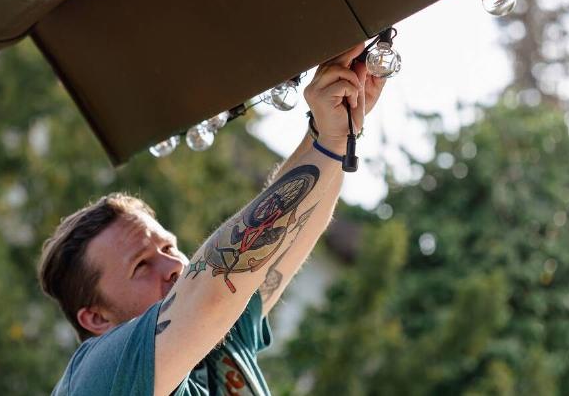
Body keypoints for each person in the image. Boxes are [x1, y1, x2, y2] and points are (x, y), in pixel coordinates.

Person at [39, 43, 387, 395]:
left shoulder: (220, 345)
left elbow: (283, 243)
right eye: (141, 265)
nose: (174, 266)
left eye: (168, 247)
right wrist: (328, 143)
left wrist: (334, 131)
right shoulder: (96, 375)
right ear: (97, 318)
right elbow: (214, 289)